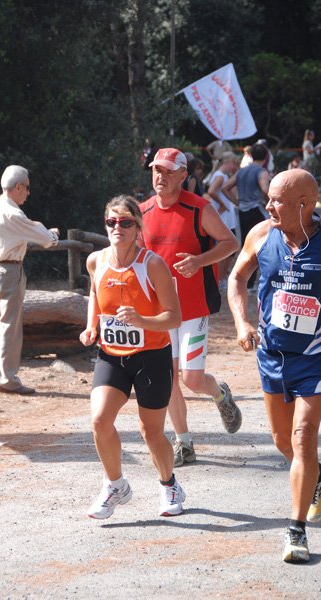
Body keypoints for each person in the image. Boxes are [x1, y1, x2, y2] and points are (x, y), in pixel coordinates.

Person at [227, 168, 321, 563]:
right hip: (271, 356)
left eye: (277, 200)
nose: (268, 206)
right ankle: (315, 479)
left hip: (315, 359)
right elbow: (236, 278)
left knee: (301, 438)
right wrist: (242, 321)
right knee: (283, 442)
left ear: (304, 204)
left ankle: (296, 532)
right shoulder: (262, 234)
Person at [79, 195, 185, 519]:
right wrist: (90, 326)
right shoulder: (96, 261)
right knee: (99, 421)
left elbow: (174, 317)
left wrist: (142, 321)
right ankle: (115, 485)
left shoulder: (151, 264)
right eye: (111, 222)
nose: (117, 228)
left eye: (125, 222)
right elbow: (95, 293)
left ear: (138, 226)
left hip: (152, 355)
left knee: (150, 432)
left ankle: (169, 485)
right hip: (112, 356)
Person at [139, 148, 242, 468]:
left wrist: (198, 261)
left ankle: (220, 393)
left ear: (184, 176)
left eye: (168, 172)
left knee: (192, 379)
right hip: (159, 312)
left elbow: (231, 243)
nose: (161, 176)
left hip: (193, 310)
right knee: (168, 378)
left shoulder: (199, 208)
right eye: (157, 170)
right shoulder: (141, 211)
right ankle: (184, 443)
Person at [0, 165, 59, 395]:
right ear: (18, 187)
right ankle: (8, 378)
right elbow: (43, 237)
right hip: (8, 271)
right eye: (27, 188)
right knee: (9, 326)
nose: (28, 193)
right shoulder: (13, 213)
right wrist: (54, 236)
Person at [222, 142, 270, 290]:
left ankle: (246, 282)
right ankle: (260, 281)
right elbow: (265, 189)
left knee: (246, 246)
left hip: (242, 211)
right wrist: (268, 202)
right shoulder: (262, 172)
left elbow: (225, 188)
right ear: (266, 157)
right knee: (263, 245)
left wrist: (236, 201)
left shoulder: (241, 172)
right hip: (257, 210)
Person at [207, 152, 240, 289]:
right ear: (227, 162)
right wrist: (223, 204)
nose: (234, 166)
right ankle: (220, 279)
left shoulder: (220, 175)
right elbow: (212, 191)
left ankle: (221, 278)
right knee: (226, 248)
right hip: (224, 218)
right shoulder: (220, 176)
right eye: (233, 163)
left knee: (229, 250)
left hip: (226, 217)